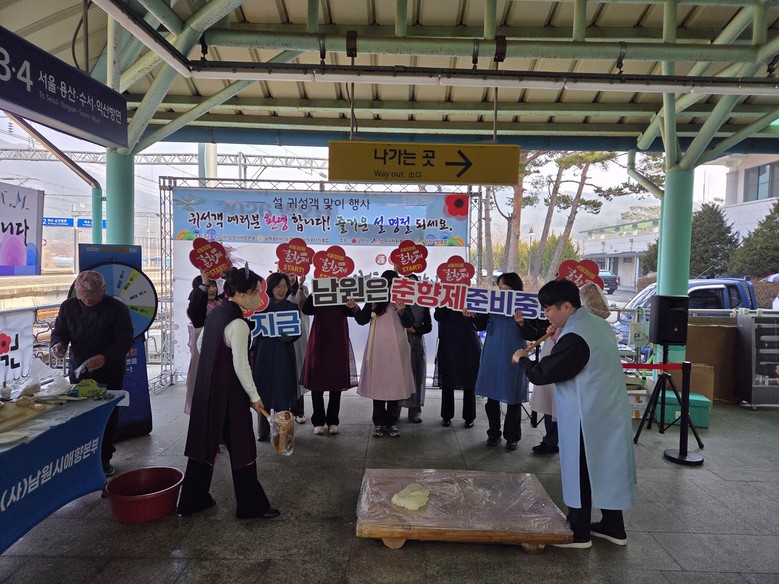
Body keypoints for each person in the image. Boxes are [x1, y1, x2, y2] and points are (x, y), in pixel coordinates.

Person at [514, 278, 636, 549]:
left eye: (548, 309)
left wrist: (522, 359)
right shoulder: (596, 325)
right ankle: (614, 527)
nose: (546, 314)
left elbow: (543, 373)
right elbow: (574, 358)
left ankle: (579, 533)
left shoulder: (576, 336)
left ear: (567, 306)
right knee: (605, 469)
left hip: (586, 415)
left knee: (580, 470)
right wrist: (557, 338)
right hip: (607, 411)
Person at [177, 267, 280, 520]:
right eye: (255, 293)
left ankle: (192, 500)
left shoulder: (216, 313)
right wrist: (255, 398)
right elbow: (241, 365)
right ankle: (250, 506)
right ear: (241, 294)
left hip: (207, 392)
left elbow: (200, 344)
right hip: (229, 396)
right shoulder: (238, 323)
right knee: (243, 448)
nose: (258, 298)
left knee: (203, 445)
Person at [50, 270, 135, 477]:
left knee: (107, 416)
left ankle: (104, 458)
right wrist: (58, 345)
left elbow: (125, 341)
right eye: (83, 297)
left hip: (109, 370)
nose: (87, 301)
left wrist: (105, 357)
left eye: (92, 298)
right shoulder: (68, 307)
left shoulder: (117, 309)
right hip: (79, 370)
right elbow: (60, 332)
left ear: (104, 290)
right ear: (76, 292)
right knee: (80, 414)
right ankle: (82, 457)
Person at [473, 272, 542, 451]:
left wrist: (522, 323)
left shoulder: (525, 304)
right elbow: (480, 324)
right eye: (500, 288)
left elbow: (533, 334)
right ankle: (493, 433)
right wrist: (470, 316)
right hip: (492, 352)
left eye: (506, 289)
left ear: (516, 289)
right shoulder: (491, 301)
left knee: (513, 396)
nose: (502, 292)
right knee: (492, 395)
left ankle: (512, 436)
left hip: (514, 354)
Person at [354, 270, 416, 438]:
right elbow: (362, 319)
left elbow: (410, 323)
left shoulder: (402, 299)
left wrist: (402, 311)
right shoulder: (374, 299)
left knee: (395, 383)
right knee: (379, 384)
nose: (389, 287)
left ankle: (391, 422)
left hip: (397, 347)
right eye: (387, 283)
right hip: (378, 346)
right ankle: (379, 422)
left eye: (392, 283)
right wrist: (354, 307)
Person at [251, 273, 301, 441]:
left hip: (283, 353)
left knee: (283, 389)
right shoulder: (260, 306)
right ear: (270, 287)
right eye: (278, 286)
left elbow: (298, 331)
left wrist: (290, 337)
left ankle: (283, 433)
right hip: (263, 352)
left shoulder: (291, 307)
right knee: (262, 388)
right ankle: (263, 430)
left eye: (285, 286)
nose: (282, 290)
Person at [433, 306, 480, 428]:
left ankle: (469, 417)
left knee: (469, 378)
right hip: (448, 340)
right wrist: (447, 304)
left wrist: (472, 315)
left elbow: (480, 321)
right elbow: (437, 316)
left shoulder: (471, 297)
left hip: (469, 340)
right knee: (447, 377)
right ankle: (446, 415)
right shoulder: (444, 296)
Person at [395, 274, 432, 423]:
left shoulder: (423, 302)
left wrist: (415, 330)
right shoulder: (396, 300)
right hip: (398, 342)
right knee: (399, 376)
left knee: (417, 376)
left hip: (416, 342)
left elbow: (428, 326)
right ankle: (395, 410)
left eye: (413, 284)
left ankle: (415, 411)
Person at [184, 269, 221, 415]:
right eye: (207, 286)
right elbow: (196, 307)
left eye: (213, 285)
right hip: (203, 350)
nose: (212, 289)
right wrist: (204, 285)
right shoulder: (195, 308)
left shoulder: (220, 303)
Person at [286, 274, 310, 424]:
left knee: (297, 370)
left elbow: (303, 306)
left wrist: (300, 286)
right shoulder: (275, 290)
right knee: (285, 372)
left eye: (291, 274)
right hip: (281, 336)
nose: (290, 278)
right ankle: (285, 410)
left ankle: (298, 410)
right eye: (286, 273)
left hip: (298, 336)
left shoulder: (302, 289)